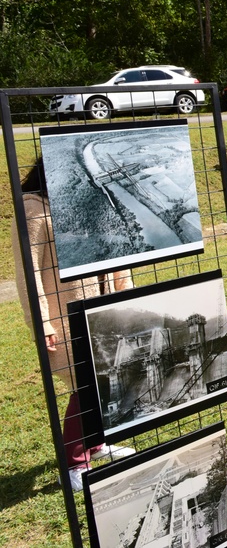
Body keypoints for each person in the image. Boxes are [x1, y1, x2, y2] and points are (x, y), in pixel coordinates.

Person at [12, 160, 135, 492]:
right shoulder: (34, 208)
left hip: (104, 307)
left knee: (106, 378)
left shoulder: (89, 200)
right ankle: (76, 463)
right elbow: (28, 271)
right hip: (66, 315)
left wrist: (126, 292)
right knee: (86, 384)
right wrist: (42, 321)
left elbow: (116, 248)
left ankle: (97, 444)